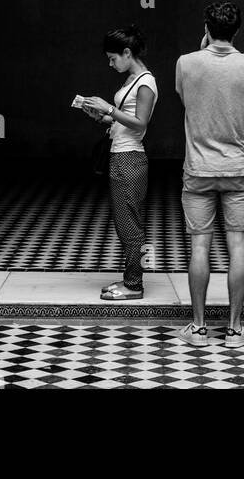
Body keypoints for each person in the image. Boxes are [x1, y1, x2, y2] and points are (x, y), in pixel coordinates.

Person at [174, 1, 244, 347]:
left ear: (206, 27)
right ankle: (234, 329)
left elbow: (189, 101)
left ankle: (198, 328)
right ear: (238, 30)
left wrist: (202, 52)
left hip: (198, 170)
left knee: (199, 246)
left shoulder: (186, 63)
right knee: (238, 246)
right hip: (239, 170)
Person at [81, 25, 158, 301]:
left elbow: (140, 123)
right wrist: (101, 116)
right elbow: (123, 120)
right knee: (124, 221)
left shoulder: (145, 83)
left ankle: (134, 285)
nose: (111, 63)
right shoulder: (131, 81)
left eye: (113, 58)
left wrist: (109, 108)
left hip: (130, 159)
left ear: (128, 53)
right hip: (120, 154)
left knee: (129, 224)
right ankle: (129, 277)